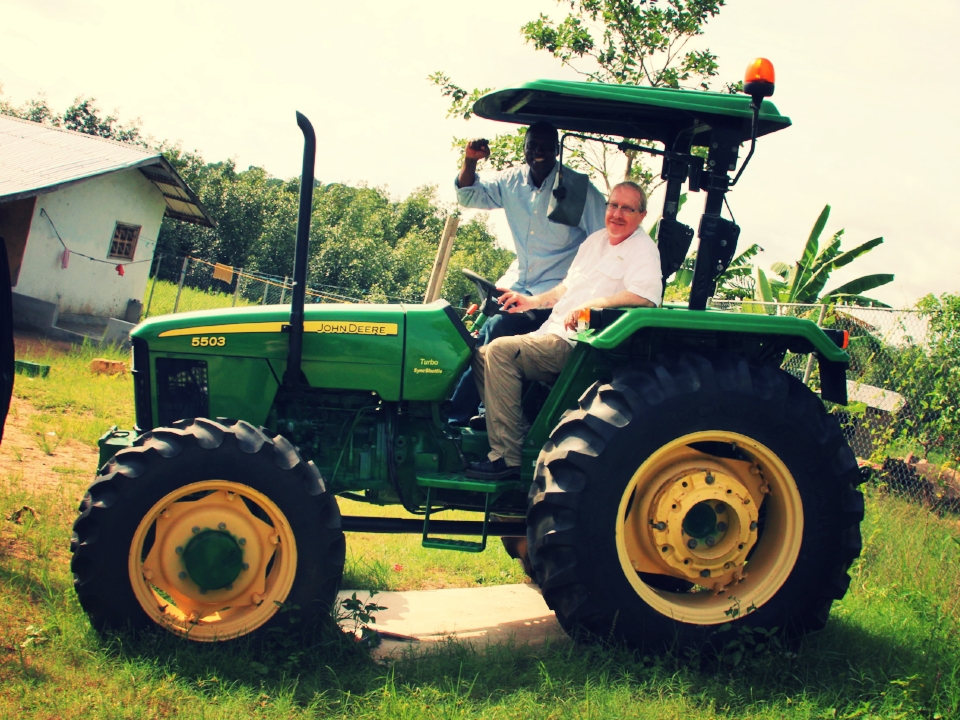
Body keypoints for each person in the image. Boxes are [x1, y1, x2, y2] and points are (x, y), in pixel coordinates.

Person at [466, 182, 662, 480]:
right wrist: (530, 301)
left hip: (578, 343)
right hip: (552, 329)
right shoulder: (595, 241)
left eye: (627, 208)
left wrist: (595, 304)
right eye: (613, 206)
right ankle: (518, 435)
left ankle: (508, 458)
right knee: (480, 355)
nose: (617, 214)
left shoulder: (643, 250)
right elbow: (565, 288)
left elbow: (644, 297)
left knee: (500, 351)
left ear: (642, 214)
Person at [447, 122, 607, 425]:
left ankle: (466, 416)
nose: (539, 152)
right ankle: (455, 407)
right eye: (533, 145)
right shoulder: (511, 182)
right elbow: (468, 195)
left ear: (557, 150)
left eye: (546, 146)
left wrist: (584, 289)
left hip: (551, 293)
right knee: (468, 333)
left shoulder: (575, 188)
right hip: (515, 282)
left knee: (498, 327)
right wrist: (470, 160)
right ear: (525, 147)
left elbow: (602, 240)